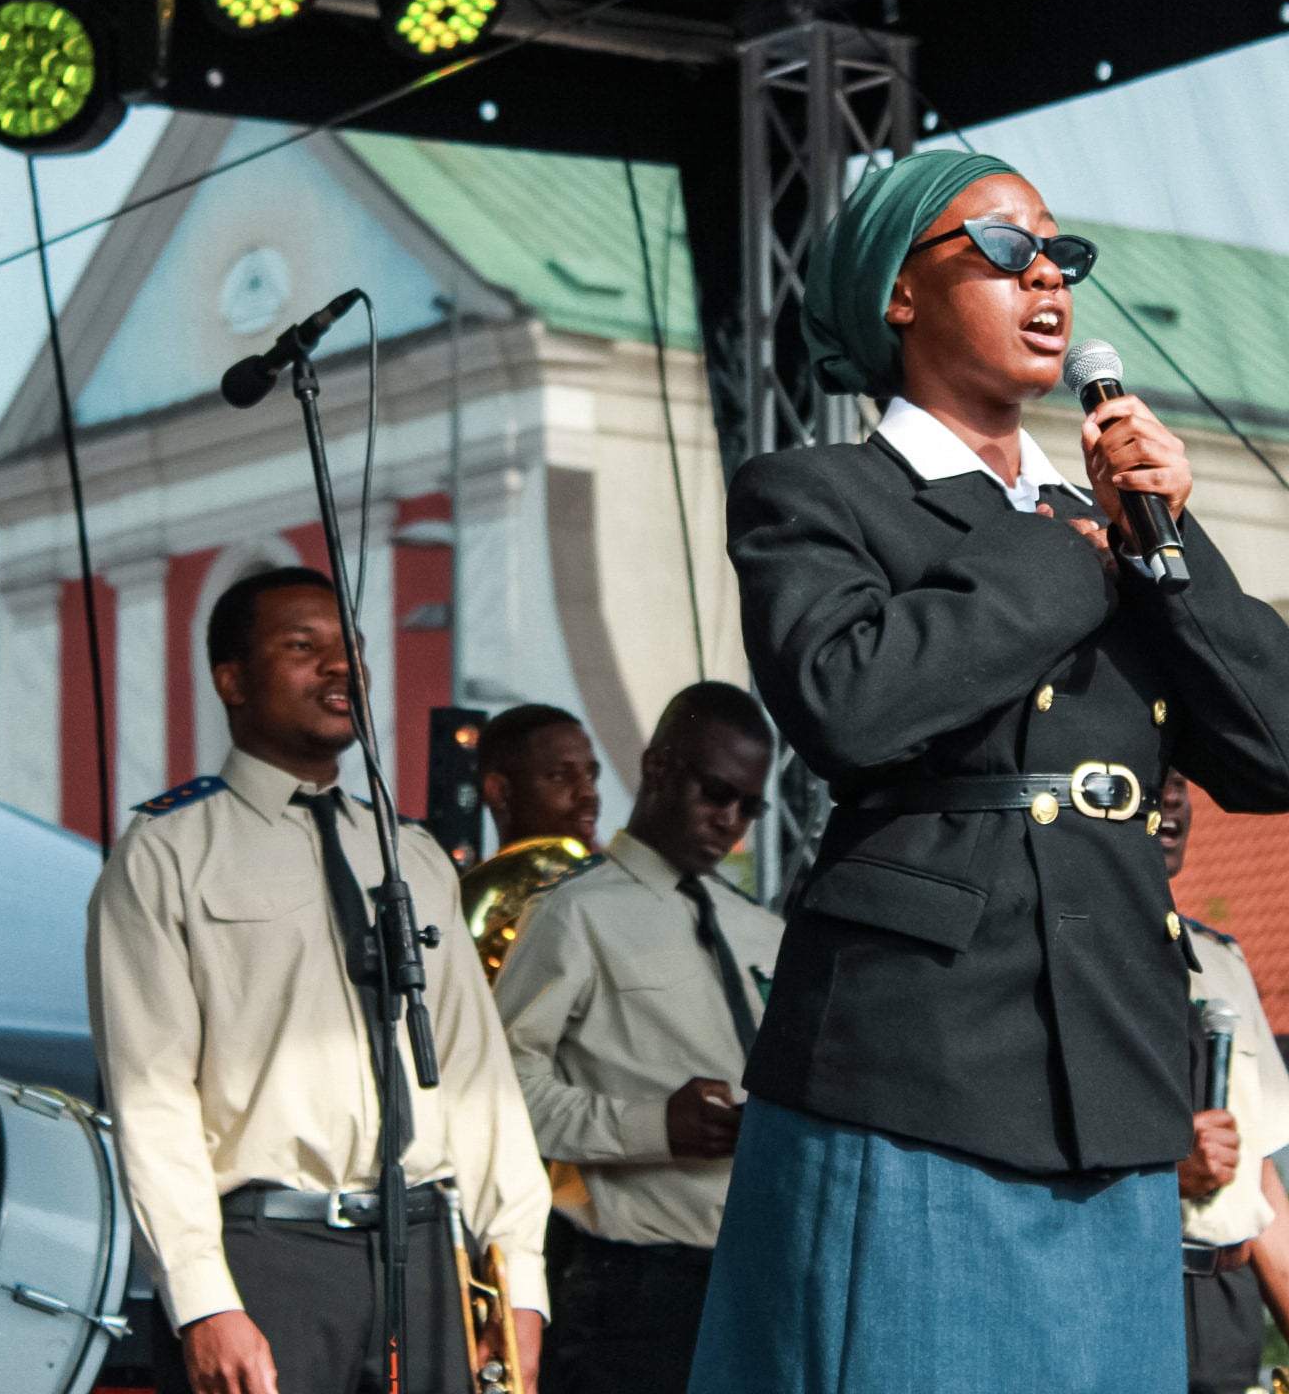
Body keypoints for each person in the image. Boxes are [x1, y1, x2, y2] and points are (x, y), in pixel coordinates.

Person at [689, 150, 1289, 1394]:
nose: (1044, 274)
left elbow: (1278, 754)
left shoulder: (1116, 526)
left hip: (1112, 1058)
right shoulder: (819, 494)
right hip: (917, 1052)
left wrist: (1168, 536)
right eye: (996, 248)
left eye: (1059, 253)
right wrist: (1058, 557)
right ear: (898, 295)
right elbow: (850, 703)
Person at [91, 566, 550, 1394]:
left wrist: (519, 1275)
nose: (342, 668)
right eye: (304, 648)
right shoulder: (167, 852)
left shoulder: (411, 856)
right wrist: (202, 1303)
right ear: (230, 679)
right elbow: (150, 1099)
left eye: (353, 648)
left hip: (424, 1247)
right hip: (269, 1258)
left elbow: (480, 1080)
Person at [494, 682, 780, 1394]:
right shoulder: (573, 914)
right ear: (656, 769)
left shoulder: (762, 929)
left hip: (759, 1275)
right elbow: (498, 1100)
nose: (730, 820)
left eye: (750, 805)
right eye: (716, 791)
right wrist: (654, 1126)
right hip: (633, 1288)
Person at [1155, 770, 1289, 1394]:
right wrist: (1161, 1176)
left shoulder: (1221, 961)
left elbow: (1261, 1180)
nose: (1171, 796)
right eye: (1152, 780)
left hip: (1227, 1304)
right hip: (1136, 1290)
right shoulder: (1060, 961)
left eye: (1181, 782)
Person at [478, 704, 603, 851]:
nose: (588, 793)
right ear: (499, 792)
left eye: (591, 776)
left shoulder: (615, 873)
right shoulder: (484, 875)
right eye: (559, 776)